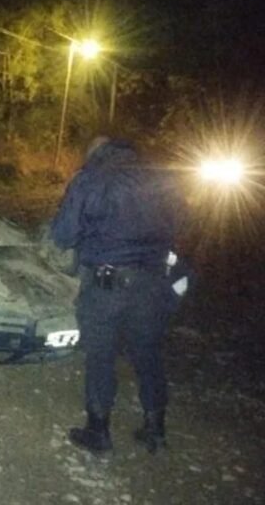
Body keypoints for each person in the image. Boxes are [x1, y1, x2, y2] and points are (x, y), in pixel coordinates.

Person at [50, 136, 181, 456]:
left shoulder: (90, 179)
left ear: (94, 154)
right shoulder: (159, 177)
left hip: (105, 285)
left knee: (101, 355)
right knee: (148, 353)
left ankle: (99, 431)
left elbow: (63, 235)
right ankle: (155, 429)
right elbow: (183, 225)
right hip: (152, 283)